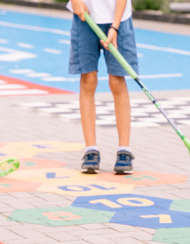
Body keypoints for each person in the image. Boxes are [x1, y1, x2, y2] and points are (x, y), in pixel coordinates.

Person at [68, 0, 137, 174]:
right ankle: (90, 150)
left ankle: (124, 150)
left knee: (116, 81)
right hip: (85, 17)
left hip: (118, 19)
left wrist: (115, 27)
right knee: (88, 80)